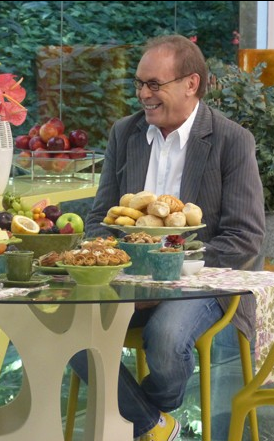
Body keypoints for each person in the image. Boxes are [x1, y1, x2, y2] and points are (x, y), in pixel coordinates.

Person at [72, 34, 266, 441]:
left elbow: (245, 238)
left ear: (191, 84)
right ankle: (156, 426)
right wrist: (119, 267)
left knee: (166, 337)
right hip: (128, 279)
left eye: (154, 84)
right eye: (139, 84)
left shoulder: (231, 140)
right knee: (68, 327)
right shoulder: (124, 133)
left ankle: (139, 419)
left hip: (203, 284)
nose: (143, 94)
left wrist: (166, 272)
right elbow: (99, 220)